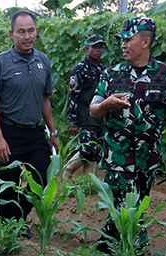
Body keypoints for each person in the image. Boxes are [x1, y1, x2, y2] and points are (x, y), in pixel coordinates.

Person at [89, 17, 166, 256]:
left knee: (129, 204)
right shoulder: (111, 74)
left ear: (145, 41)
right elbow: (94, 110)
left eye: (129, 39)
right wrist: (107, 104)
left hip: (148, 158)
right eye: (122, 40)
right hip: (118, 157)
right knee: (130, 206)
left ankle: (105, 244)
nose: (123, 45)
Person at [0, 10, 59, 226]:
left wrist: (52, 132)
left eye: (31, 31)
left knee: (45, 177)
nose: (27, 36)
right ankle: (9, 229)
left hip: (35, 133)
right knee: (7, 183)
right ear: (11, 34)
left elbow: (45, 100)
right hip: (9, 132)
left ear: (37, 31)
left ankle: (19, 217)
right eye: (21, 31)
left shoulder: (42, 60)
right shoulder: (0, 63)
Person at [63, 34, 106, 180]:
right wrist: (73, 122)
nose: (98, 50)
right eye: (95, 47)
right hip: (85, 117)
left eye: (100, 47)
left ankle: (88, 183)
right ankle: (67, 172)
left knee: (95, 151)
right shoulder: (79, 70)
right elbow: (74, 96)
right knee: (87, 150)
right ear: (87, 49)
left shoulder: (103, 69)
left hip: (100, 117)